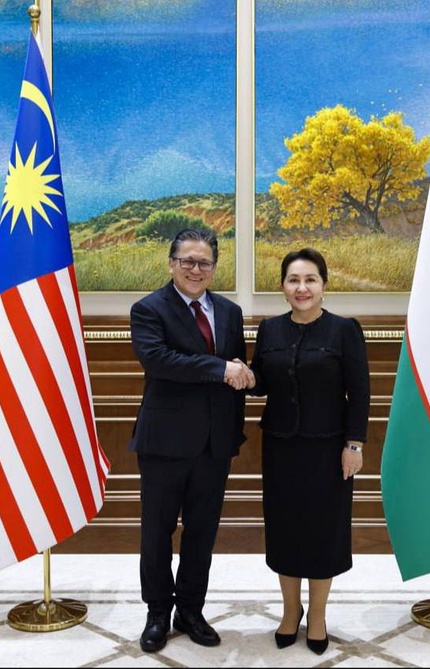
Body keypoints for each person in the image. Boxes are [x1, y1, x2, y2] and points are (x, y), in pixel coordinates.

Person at [129, 228, 253, 653]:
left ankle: (191, 610)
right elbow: (158, 360)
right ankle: (157, 613)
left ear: (214, 268)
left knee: (202, 533)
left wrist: (241, 380)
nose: (196, 270)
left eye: (205, 263)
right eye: (188, 261)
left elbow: (237, 368)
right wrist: (220, 369)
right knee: (157, 533)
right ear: (172, 264)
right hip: (164, 443)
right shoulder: (149, 309)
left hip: (215, 444)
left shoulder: (230, 312)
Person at [247, 247, 370, 655]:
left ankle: (317, 615)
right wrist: (245, 375)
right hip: (281, 448)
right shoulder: (269, 330)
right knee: (284, 531)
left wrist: (354, 444)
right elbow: (262, 382)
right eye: (294, 280)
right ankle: (290, 611)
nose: (302, 288)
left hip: (329, 451)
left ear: (323, 285)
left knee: (323, 533)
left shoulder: (344, 330)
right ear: (283, 287)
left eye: (310, 280)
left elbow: (360, 393)